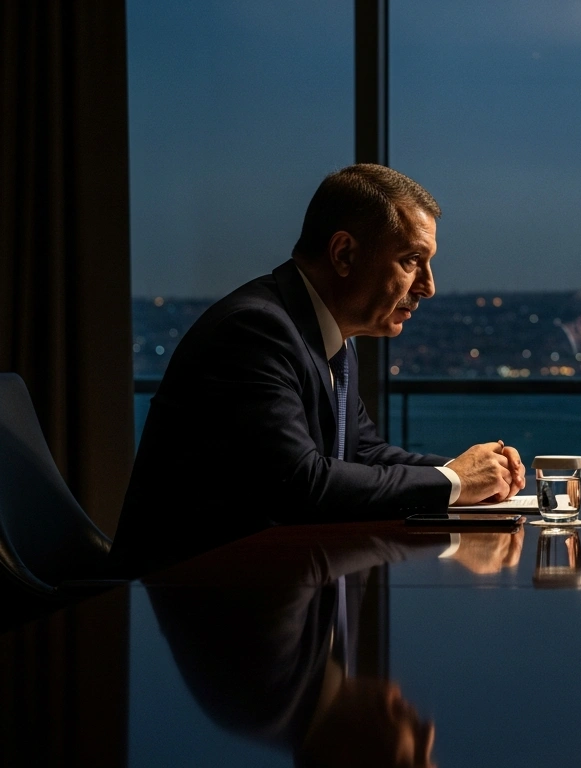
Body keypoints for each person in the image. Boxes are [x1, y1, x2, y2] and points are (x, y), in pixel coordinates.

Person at [113, 164, 526, 574]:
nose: (428, 286)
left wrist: (474, 476)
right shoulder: (255, 331)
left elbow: (363, 453)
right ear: (344, 254)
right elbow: (299, 483)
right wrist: (453, 483)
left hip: (270, 584)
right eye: (411, 260)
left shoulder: (327, 334)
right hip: (200, 597)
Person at [145, 528, 523, 768]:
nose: (429, 732)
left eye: (413, 760)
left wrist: (459, 480)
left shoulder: (266, 690)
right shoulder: (295, 695)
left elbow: (300, 548)